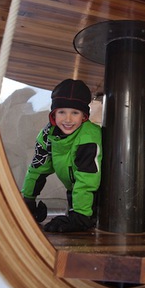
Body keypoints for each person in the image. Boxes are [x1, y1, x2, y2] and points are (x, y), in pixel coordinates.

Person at [21, 79, 102, 232]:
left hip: (98, 195)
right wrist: (28, 200)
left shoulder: (88, 137)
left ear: (84, 116)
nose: (68, 119)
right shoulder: (48, 135)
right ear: (53, 114)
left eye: (75, 113)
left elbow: (87, 179)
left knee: (84, 228)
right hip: (75, 192)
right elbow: (37, 169)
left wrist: (81, 216)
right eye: (62, 112)